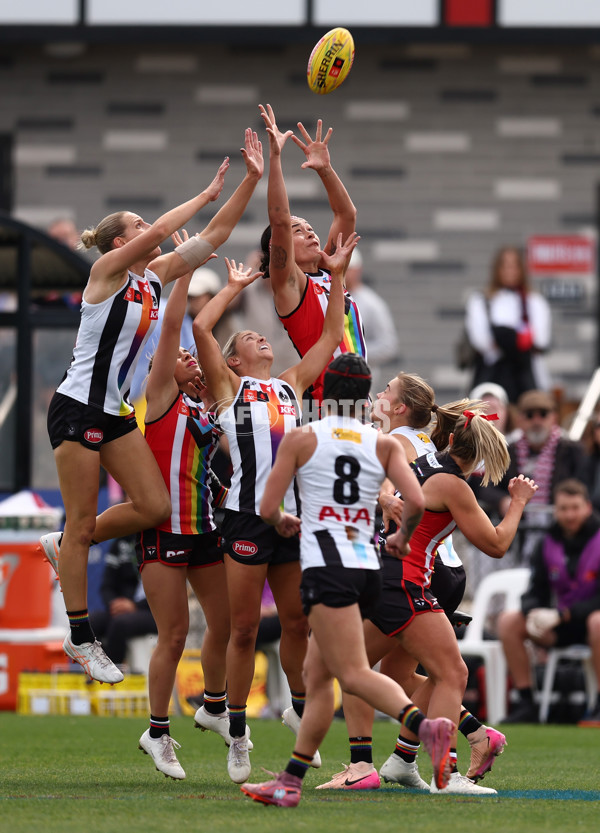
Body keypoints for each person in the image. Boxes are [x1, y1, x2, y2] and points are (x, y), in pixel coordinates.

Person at [38, 131, 258, 684]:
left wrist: (251, 181)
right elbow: (165, 229)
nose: (148, 233)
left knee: (154, 505)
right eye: (134, 227)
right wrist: (205, 193)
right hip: (76, 409)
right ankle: (81, 634)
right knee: (84, 524)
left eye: (142, 225)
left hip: (112, 413)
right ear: (118, 244)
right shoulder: (105, 275)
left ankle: (62, 544)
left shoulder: (154, 282)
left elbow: (214, 239)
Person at [240, 354, 457, 808]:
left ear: (324, 390)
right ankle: (290, 782)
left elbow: (265, 508)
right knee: (317, 677)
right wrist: (399, 536)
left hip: (328, 567)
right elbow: (414, 500)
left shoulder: (302, 437)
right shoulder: (382, 444)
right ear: (364, 394)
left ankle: (427, 728)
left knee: (353, 674)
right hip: (369, 568)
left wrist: (282, 521)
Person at [192, 230, 359, 784]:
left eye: (265, 337)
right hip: (243, 517)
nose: (266, 340)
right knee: (243, 630)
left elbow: (333, 333)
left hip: (291, 518)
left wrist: (336, 275)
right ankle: (237, 732)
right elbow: (199, 329)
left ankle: (296, 707)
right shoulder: (228, 390)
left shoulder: (289, 387)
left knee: (296, 622)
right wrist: (234, 287)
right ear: (235, 361)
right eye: (253, 339)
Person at [316, 403, 538, 796]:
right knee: (453, 674)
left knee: (357, 671)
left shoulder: (419, 462)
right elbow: (498, 545)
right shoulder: (454, 485)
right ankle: (445, 773)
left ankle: (377, 763)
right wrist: (519, 500)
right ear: (482, 457)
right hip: (405, 582)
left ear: (449, 438)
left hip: (376, 573)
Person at [136, 130, 270, 778]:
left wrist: (233, 285)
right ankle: (157, 730)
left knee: (228, 626)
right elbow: (177, 329)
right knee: (172, 634)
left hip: (207, 528)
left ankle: (215, 704)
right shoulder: (160, 392)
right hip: (164, 528)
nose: (192, 359)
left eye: (198, 360)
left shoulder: (208, 402)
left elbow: (205, 339)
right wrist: (188, 269)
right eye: (187, 358)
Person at [258, 103, 365, 408]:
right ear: (278, 247)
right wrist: (276, 157)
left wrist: (325, 169)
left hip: (361, 397)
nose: (309, 231)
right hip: (326, 400)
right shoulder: (290, 284)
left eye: (309, 227)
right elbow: (279, 219)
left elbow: (346, 213)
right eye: (297, 230)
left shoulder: (331, 270)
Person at [498, 479, 600, 725]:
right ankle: (526, 702)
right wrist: (532, 612)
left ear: (587, 507)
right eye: (564, 508)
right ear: (556, 510)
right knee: (509, 621)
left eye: (575, 507)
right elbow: (535, 589)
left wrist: (564, 614)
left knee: (598, 622)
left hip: (591, 623)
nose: (569, 514)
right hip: (559, 625)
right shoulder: (546, 543)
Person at [475, 388, 590, 565]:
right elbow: (483, 485)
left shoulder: (571, 449)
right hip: (516, 536)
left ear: (554, 418)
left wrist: (566, 505)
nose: (536, 421)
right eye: (529, 415)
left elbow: (584, 485)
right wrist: (502, 501)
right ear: (520, 419)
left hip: (562, 533)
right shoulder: (507, 450)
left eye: (543, 414)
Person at [465, 246, 552, 403]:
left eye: (514, 265)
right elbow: (481, 341)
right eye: (504, 265)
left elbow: (541, 340)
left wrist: (506, 338)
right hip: (492, 373)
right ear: (496, 269)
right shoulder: (480, 300)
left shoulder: (534, 301)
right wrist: (516, 339)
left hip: (526, 376)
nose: (509, 270)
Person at [88, 533, 156, 666]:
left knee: (119, 624)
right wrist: (114, 603)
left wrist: (135, 606)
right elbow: (107, 586)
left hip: (153, 611)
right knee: (91, 623)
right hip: (123, 609)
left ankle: (112, 674)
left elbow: (163, 590)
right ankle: (93, 669)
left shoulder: (158, 540)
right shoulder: (120, 543)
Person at [343, 248, 399, 394]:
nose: (343, 272)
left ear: (358, 270)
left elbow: (388, 345)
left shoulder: (372, 304)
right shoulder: (326, 296)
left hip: (361, 380)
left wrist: (351, 354)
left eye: (348, 268)